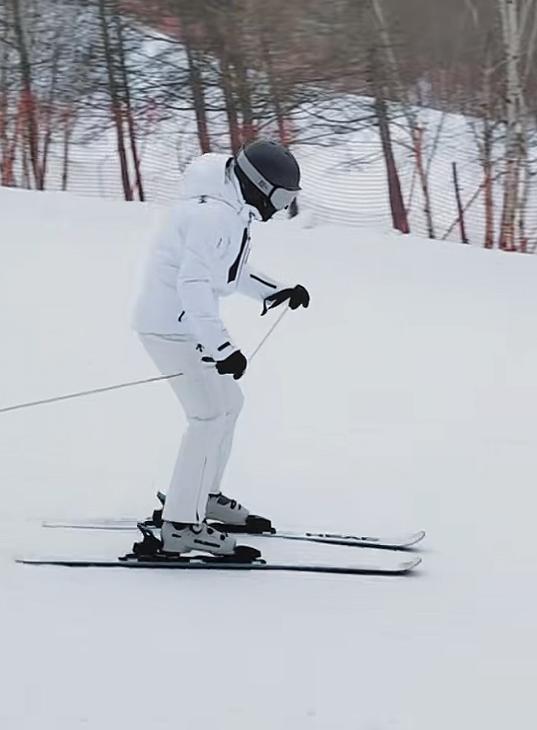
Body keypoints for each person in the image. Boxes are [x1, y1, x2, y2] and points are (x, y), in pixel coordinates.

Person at [132, 140, 310, 556]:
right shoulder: (213, 215)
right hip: (170, 328)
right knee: (209, 416)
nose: (281, 208)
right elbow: (192, 284)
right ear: (258, 186)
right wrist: (223, 346)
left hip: (180, 325)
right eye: (280, 198)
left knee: (229, 404)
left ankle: (203, 496)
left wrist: (278, 289)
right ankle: (180, 525)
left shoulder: (228, 209)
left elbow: (228, 271)